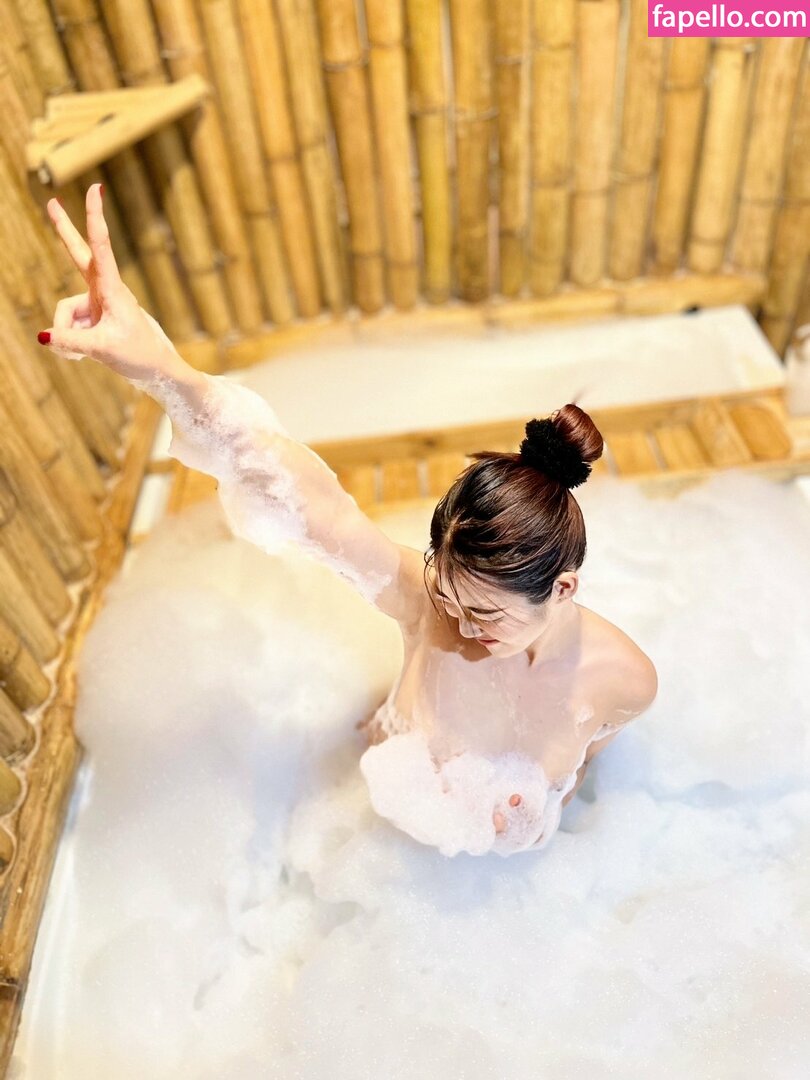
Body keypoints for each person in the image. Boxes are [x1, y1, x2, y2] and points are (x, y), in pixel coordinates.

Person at [39, 184, 658, 856]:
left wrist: (534, 817)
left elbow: (581, 769)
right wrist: (165, 371)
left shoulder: (627, 680)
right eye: (451, 599)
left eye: (485, 614)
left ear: (563, 587)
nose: (460, 626)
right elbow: (317, 507)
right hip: (371, 818)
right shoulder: (427, 606)